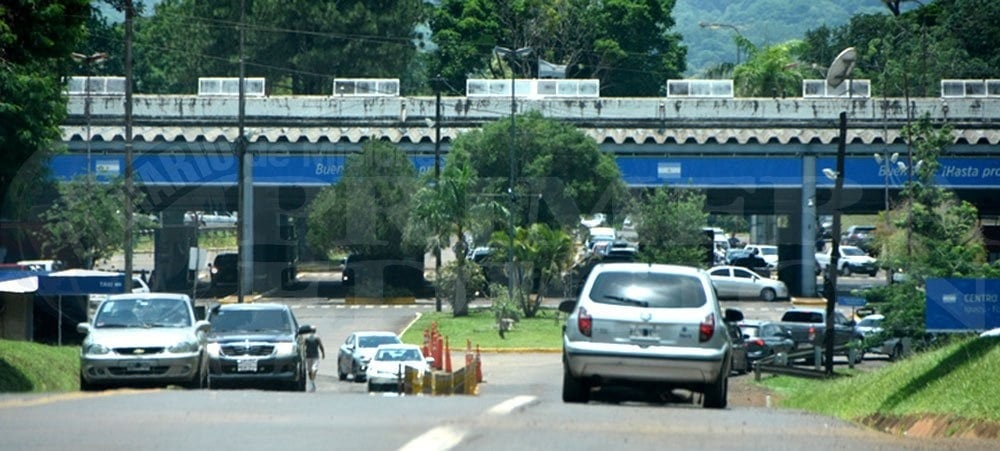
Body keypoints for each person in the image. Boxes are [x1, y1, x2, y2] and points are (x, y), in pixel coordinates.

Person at [304, 326, 325, 392]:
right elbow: (321, 346)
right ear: (315, 330)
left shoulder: (306, 338)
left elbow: (303, 346)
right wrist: (323, 353)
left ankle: (311, 382)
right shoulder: (317, 338)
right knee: (313, 369)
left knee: (310, 370)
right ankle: (312, 382)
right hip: (314, 356)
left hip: (308, 356)